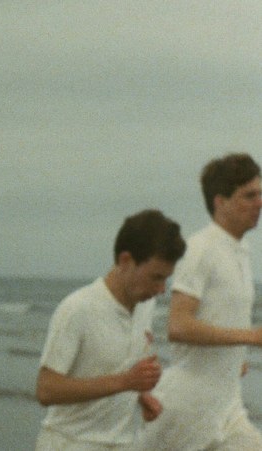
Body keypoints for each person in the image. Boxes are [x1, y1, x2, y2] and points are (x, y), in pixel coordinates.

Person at [133, 153, 262, 450]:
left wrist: (233, 358)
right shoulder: (200, 249)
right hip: (188, 407)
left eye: (260, 194)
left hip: (228, 403)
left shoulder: (241, 251)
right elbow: (178, 326)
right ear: (220, 202)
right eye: (249, 196)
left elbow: (220, 317)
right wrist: (250, 336)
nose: (260, 203)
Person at [34, 209, 186, 450]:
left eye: (166, 279)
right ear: (125, 261)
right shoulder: (78, 308)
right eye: (156, 277)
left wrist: (140, 396)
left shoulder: (144, 306)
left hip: (122, 442)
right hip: (70, 443)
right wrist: (127, 382)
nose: (161, 290)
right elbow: (46, 389)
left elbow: (115, 368)